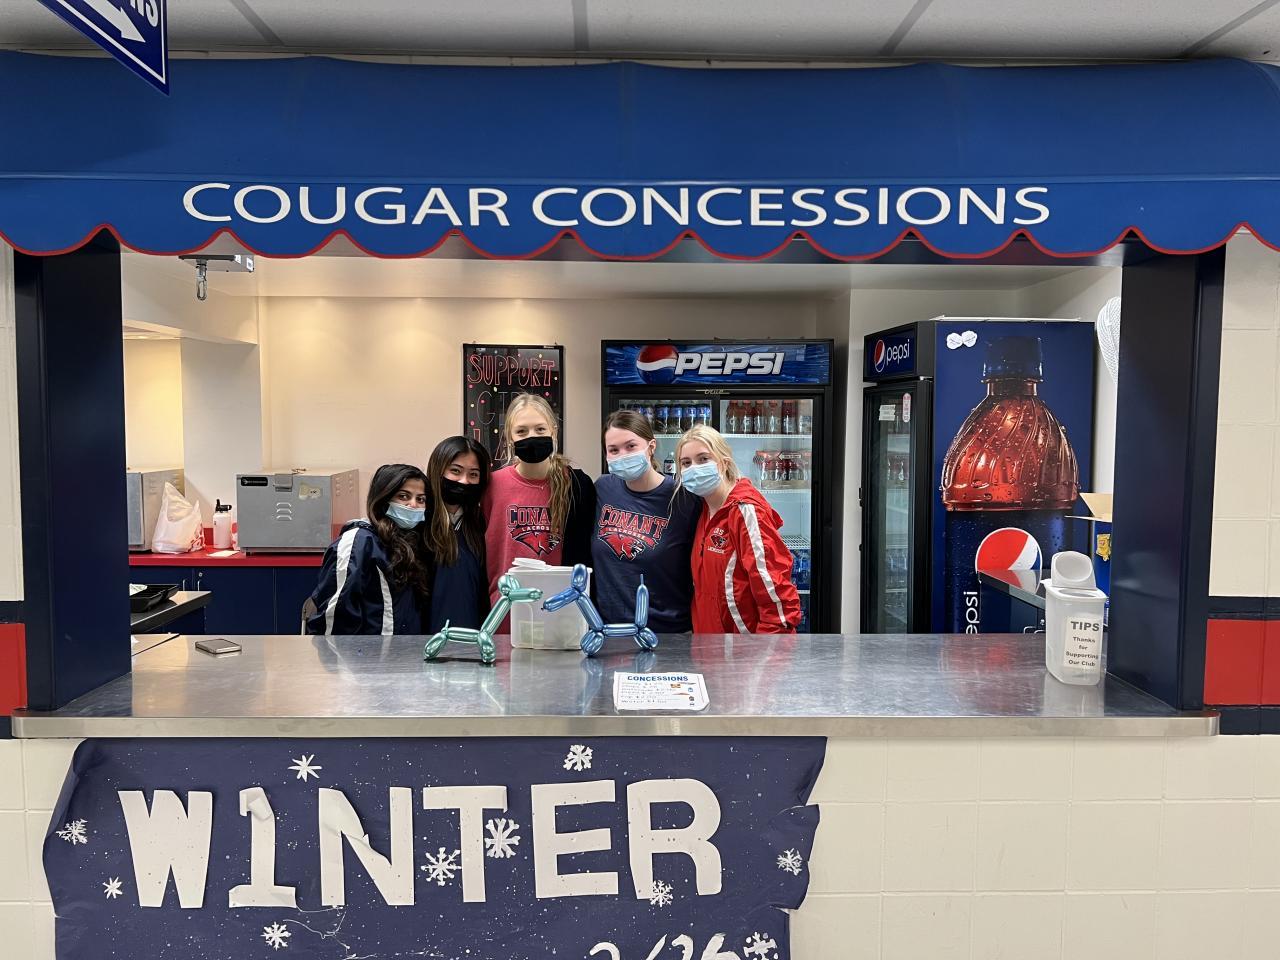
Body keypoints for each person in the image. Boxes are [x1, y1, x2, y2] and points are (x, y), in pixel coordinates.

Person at [676, 424, 801, 634]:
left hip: (742, 647)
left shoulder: (745, 511)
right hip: (708, 644)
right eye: (686, 463)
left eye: (703, 459)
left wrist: (766, 651)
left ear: (724, 463)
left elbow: (777, 598)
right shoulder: (704, 509)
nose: (694, 468)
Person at [482, 393, 596, 605]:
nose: (531, 437)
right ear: (509, 437)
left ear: (554, 431)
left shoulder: (577, 485)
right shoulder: (492, 485)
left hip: (561, 609)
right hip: (505, 609)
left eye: (540, 429)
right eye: (521, 431)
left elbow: (586, 556)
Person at [593, 409, 700, 632]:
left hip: (669, 633)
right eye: (613, 450)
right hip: (609, 631)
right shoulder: (603, 488)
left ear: (651, 447)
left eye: (631, 446)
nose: (622, 455)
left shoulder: (683, 497)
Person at [306, 463, 433, 635]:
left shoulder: (413, 543)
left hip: (404, 649)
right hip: (368, 651)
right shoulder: (358, 543)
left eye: (421, 499)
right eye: (403, 496)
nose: (413, 505)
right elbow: (335, 619)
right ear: (383, 498)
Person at [424, 436, 491, 633]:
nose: (464, 481)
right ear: (438, 469)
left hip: (475, 639)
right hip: (424, 642)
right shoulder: (419, 524)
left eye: (473, 474)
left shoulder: (482, 525)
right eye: (455, 471)